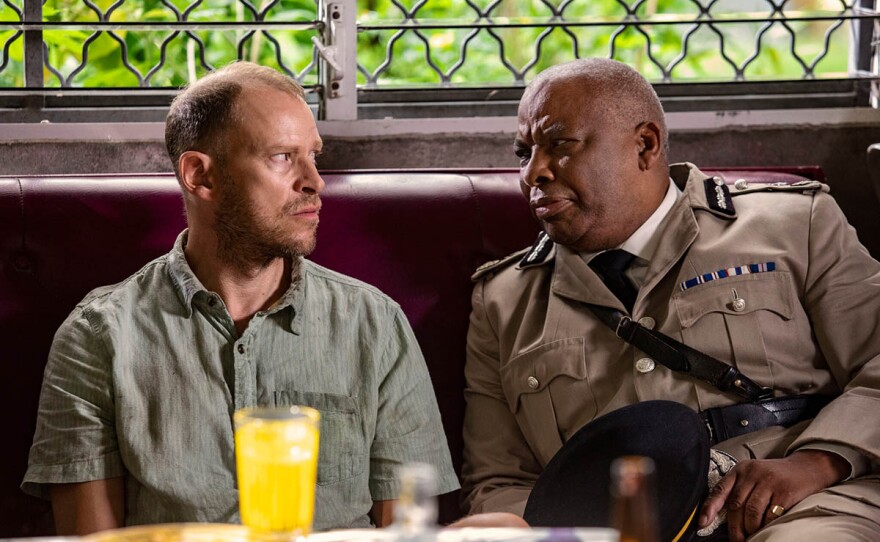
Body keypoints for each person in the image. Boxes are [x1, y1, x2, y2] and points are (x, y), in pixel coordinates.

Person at [21, 61, 462, 535]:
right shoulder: (97, 337)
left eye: (314, 155)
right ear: (200, 176)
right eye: (282, 157)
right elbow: (94, 540)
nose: (315, 181)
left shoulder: (374, 324)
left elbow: (410, 530)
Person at [461, 58, 880, 542]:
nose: (533, 172)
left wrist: (818, 461)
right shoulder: (502, 299)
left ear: (645, 144)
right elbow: (499, 479)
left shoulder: (791, 225)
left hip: (806, 508)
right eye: (523, 153)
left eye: (560, 145)